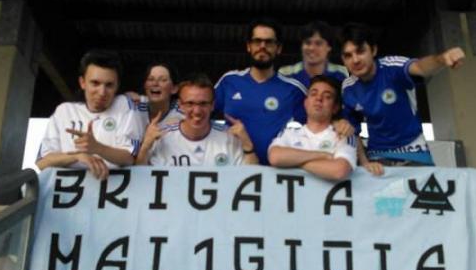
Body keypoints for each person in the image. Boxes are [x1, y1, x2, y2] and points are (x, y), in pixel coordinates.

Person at [340, 22, 465, 167]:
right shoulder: (348, 88)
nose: (355, 60)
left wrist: (442, 59)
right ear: (343, 60)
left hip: (414, 150)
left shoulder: (393, 67)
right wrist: (365, 163)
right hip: (378, 156)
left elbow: (420, 68)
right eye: (348, 56)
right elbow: (352, 129)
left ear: (373, 50)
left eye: (360, 51)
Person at [214, 18, 308, 165]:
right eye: (257, 41)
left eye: (269, 42)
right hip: (232, 169)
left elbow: (316, 125)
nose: (262, 46)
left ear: (278, 48)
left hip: (277, 171)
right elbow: (199, 110)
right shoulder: (229, 81)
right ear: (248, 46)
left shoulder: (294, 89)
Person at [36, 50, 143, 179]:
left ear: (117, 86)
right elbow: (42, 162)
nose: (102, 92)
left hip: (114, 188)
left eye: (109, 85)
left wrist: (97, 148)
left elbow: (130, 157)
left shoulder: (125, 104)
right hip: (68, 190)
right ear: (82, 83)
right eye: (95, 83)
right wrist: (77, 156)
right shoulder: (64, 111)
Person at [268, 75, 379, 180]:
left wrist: (294, 162)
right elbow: (275, 157)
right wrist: (322, 156)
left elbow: (339, 171)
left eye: (327, 96)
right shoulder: (289, 133)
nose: (319, 98)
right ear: (306, 103)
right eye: (313, 94)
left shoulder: (344, 134)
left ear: (335, 107)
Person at [136, 74, 258, 166]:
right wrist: (145, 147)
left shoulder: (229, 137)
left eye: (203, 103)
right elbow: (140, 180)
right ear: (180, 105)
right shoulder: (162, 136)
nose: (197, 111)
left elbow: (252, 179)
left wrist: (248, 146)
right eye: (190, 103)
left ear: (212, 105)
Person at [279, 20, 348, 87]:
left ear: (329, 47)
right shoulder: (285, 73)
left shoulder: (342, 73)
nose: (311, 48)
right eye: (307, 43)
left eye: (318, 43)